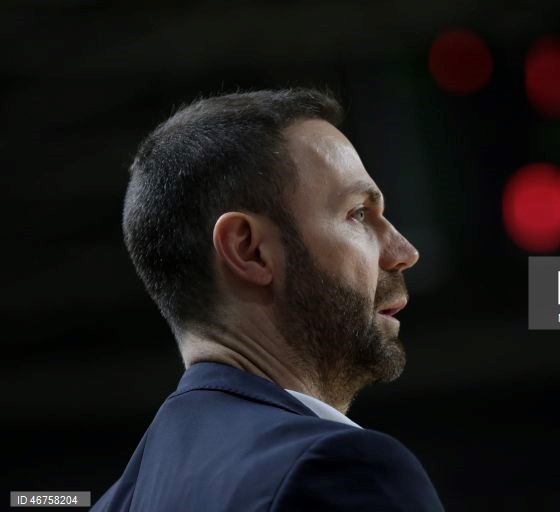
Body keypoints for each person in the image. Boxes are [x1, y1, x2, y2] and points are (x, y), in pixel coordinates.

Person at [90, 88, 444, 511]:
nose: (403, 252)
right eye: (358, 214)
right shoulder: (340, 469)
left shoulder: (117, 503)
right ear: (249, 250)